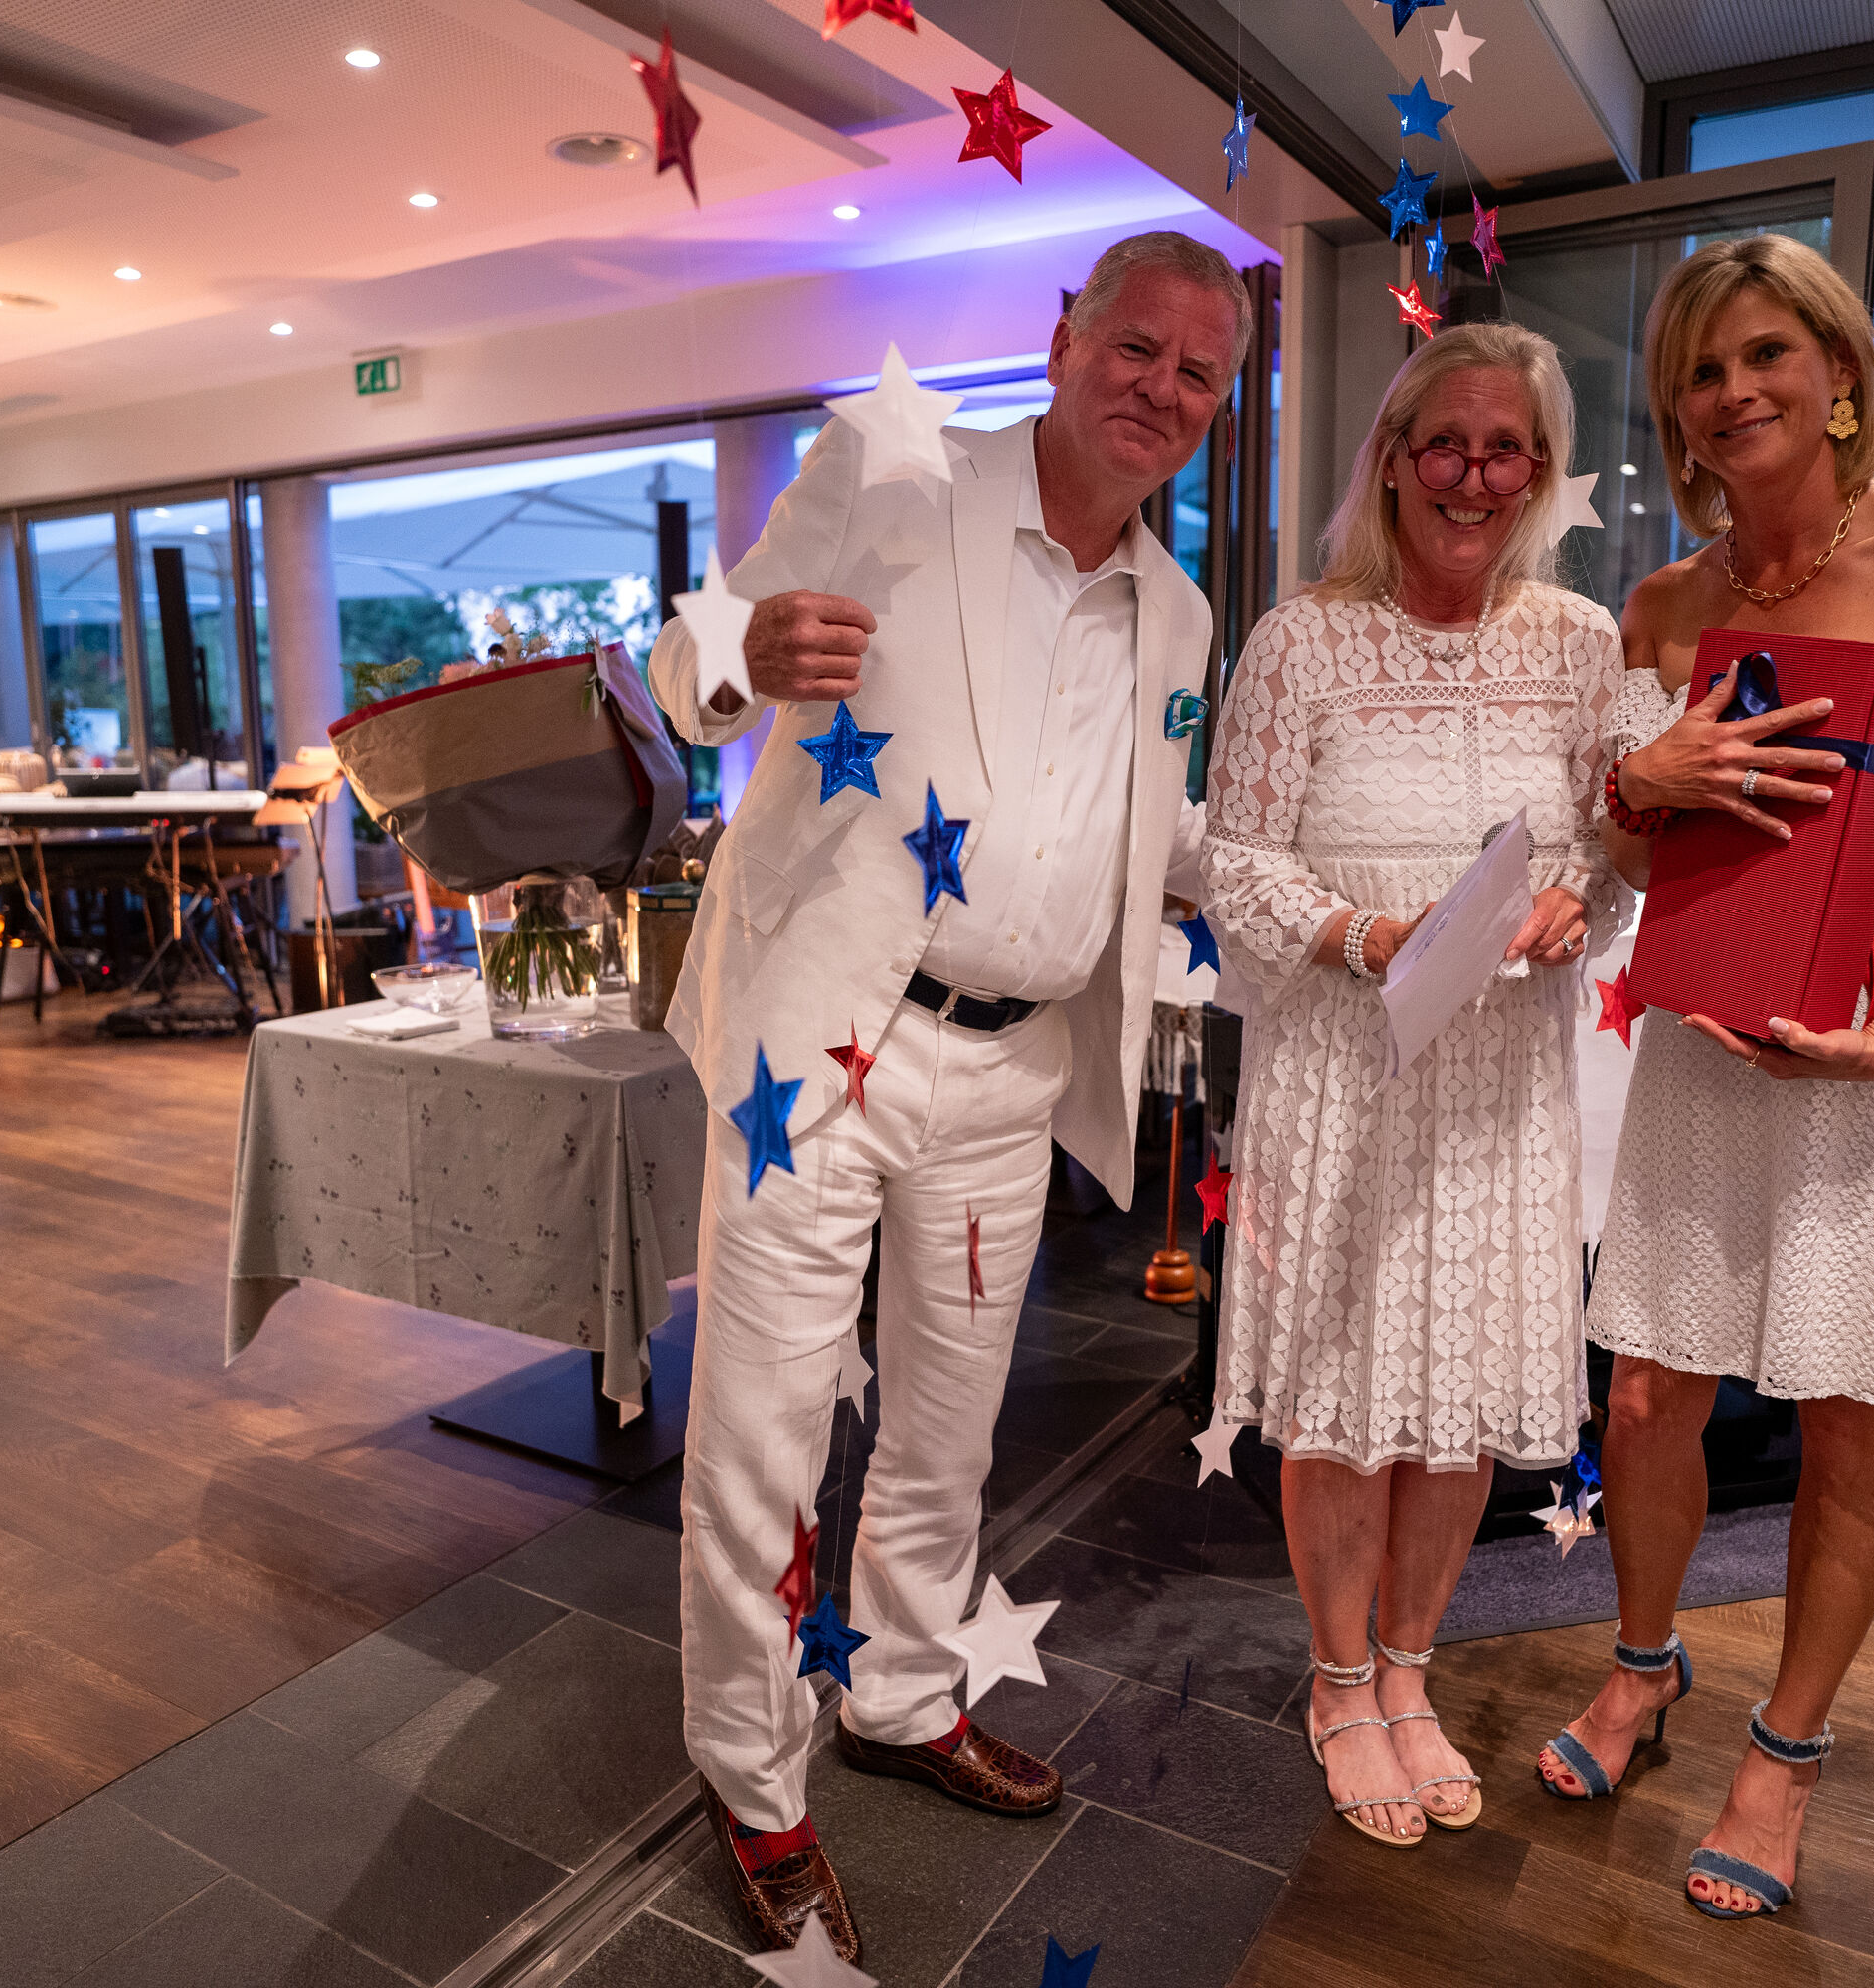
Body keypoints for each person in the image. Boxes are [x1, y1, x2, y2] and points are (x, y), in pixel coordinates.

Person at [645, 231, 1245, 1963]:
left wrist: (1332, 901)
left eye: (1198, 373)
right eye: (1136, 347)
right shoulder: (891, 469)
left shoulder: (1181, 613)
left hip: (1010, 1067)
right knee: (764, 1434)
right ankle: (755, 1782)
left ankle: (903, 1696)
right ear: (1063, 340)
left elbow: (1146, 834)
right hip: (819, 1046)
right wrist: (747, 648)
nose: (1162, 390)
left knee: (949, 1430)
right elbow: (688, 664)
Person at [1535, 235, 1874, 1920]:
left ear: (1842, 373)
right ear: (1678, 413)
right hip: (1712, 1024)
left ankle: (1785, 1751)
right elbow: (1632, 858)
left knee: (1853, 1406)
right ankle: (1645, 1664)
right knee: (1648, 1392)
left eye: (1768, 352)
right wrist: (1636, 782)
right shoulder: (1664, 607)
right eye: (1703, 371)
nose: (1735, 391)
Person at [1200, 321, 1618, 1848]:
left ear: (1542, 472)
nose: (1474, 476)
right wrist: (1364, 934)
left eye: (1508, 450)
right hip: (1342, 1065)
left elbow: (1606, 851)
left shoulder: (1583, 644)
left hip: (1501, 1085)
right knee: (1340, 1394)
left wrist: (1575, 905)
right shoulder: (1300, 640)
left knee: (1453, 1402)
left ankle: (1408, 1671)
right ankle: (1334, 1684)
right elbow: (1235, 859)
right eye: (1446, 442)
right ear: (1391, 460)